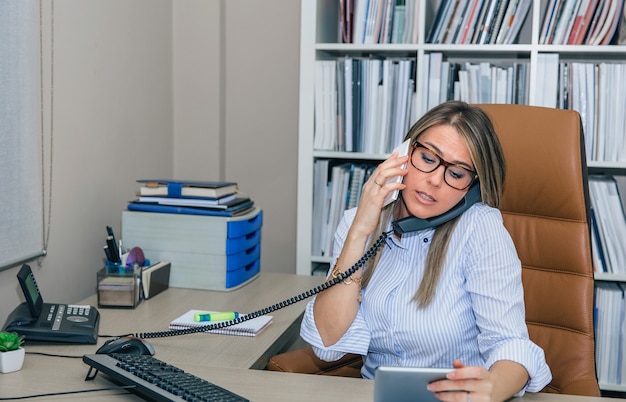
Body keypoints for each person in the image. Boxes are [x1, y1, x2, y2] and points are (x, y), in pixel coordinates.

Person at [300, 101, 552, 402]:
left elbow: (510, 343)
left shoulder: (480, 230)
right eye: (427, 158)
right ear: (404, 153)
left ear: (472, 187)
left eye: (457, 174)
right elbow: (328, 344)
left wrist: (491, 389)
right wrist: (358, 233)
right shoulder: (359, 223)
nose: (434, 180)